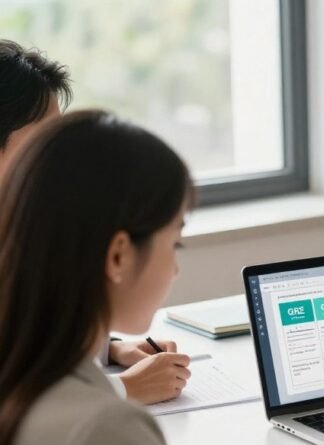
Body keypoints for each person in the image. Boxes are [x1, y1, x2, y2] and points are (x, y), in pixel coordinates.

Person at [0, 110, 324, 445]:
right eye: (175, 242)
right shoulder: (102, 430)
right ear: (118, 254)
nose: (175, 269)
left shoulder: (21, 379)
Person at [0, 39, 188, 405]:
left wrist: (107, 351)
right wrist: (124, 389)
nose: (58, 161)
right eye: (42, 144)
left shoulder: (27, 229)